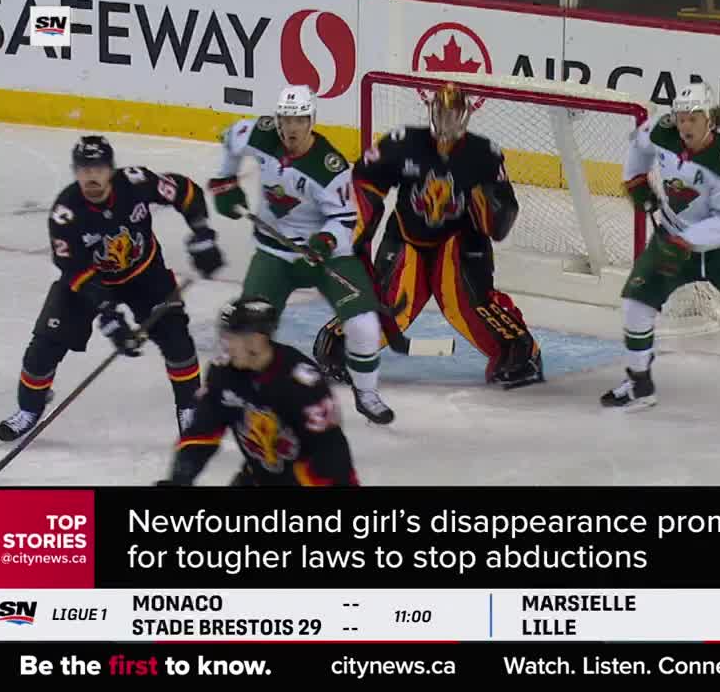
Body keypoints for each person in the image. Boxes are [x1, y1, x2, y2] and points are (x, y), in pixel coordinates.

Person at [0, 135, 224, 444]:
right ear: (75, 172)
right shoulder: (66, 213)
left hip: (145, 276)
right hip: (90, 283)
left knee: (177, 341)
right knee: (44, 346)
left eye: (99, 168)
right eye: (84, 169)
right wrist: (108, 312)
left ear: (111, 170)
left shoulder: (136, 183)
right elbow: (73, 269)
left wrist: (202, 233)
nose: (92, 176)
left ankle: (190, 408)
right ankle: (29, 409)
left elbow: (185, 191)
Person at [313, 82, 544, 390]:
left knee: (471, 303)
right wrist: (352, 235)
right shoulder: (403, 143)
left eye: (453, 115)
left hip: (458, 241)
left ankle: (520, 352)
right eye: (442, 113)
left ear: (466, 116)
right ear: (431, 111)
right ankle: (340, 343)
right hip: (406, 236)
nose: (447, 122)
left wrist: (492, 209)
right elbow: (363, 183)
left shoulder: (484, 154)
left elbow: (503, 213)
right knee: (392, 303)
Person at [600, 82, 720, 423]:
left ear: (711, 119)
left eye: (693, 118)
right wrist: (636, 181)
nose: (685, 126)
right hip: (672, 238)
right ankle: (639, 382)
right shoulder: (662, 131)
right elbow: (638, 145)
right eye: (681, 118)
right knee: (636, 304)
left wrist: (686, 242)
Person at [207, 85, 394, 424]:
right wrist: (224, 181)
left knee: (364, 324)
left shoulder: (329, 167)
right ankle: (249, 392)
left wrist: (323, 242)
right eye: (286, 120)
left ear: (311, 121)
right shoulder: (261, 134)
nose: (291, 128)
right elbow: (230, 136)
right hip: (274, 252)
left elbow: (344, 219)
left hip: (325, 256)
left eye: (299, 120)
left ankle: (367, 392)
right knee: (249, 329)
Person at [159, 295, 360, 486]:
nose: (226, 346)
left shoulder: (303, 385)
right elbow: (202, 432)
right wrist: (179, 479)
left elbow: (330, 457)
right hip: (261, 477)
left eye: (231, 338)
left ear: (256, 340)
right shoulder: (223, 373)